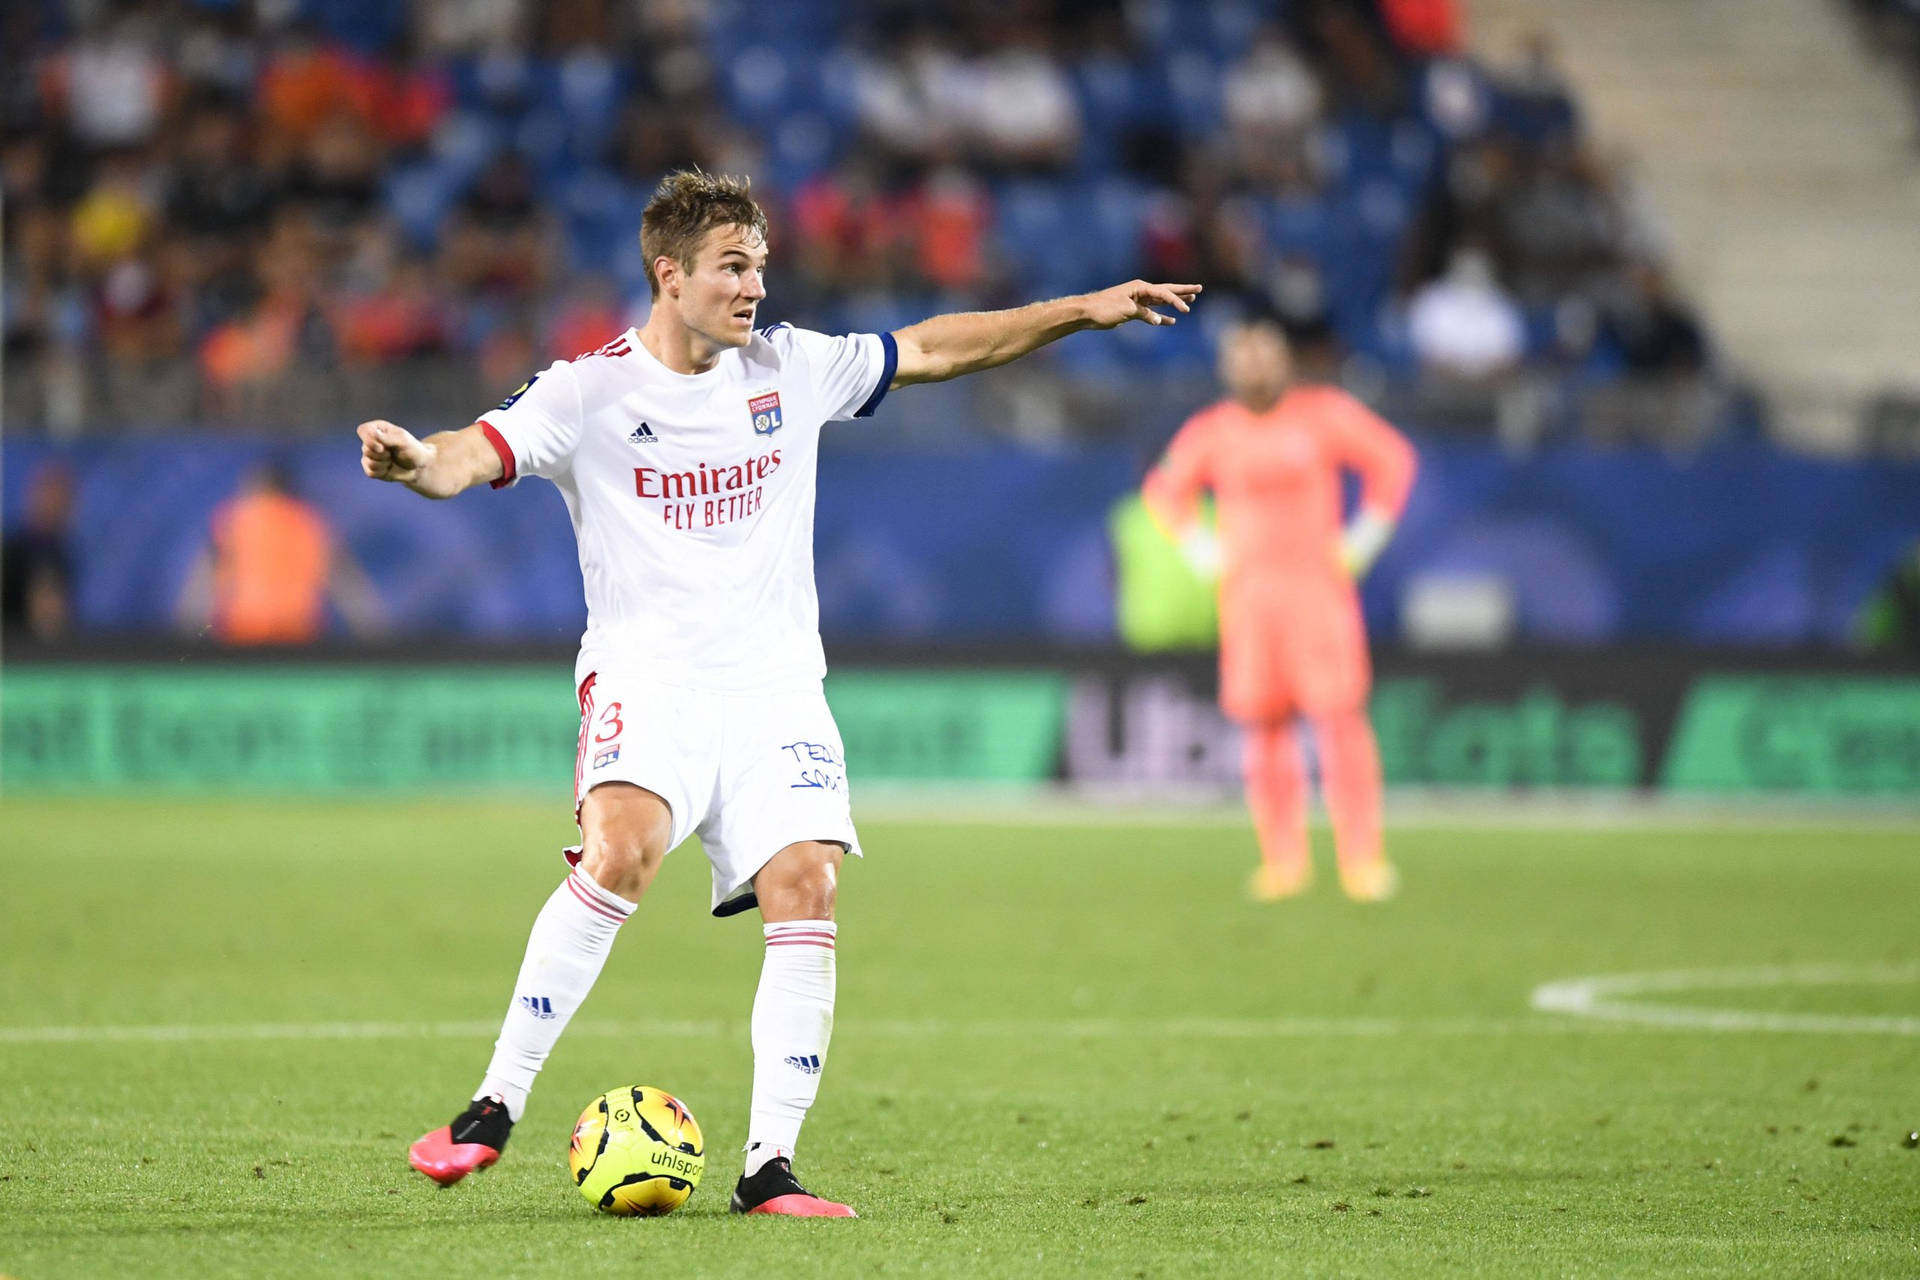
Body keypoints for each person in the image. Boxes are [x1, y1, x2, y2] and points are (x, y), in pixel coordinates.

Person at [359, 170, 1200, 1217]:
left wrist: (1081, 307)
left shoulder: (791, 366)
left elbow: (937, 347)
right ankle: (492, 1104)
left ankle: (769, 1169)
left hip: (776, 691)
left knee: (808, 882)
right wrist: (408, 461)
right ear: (670, 277)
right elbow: (464, 456)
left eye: (760, 263)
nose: (755, 285)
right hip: (648, 676)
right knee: (623, 851)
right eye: (732, 266)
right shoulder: (587, 392)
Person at [1142, 321, 1415, 903]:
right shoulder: (1212, 431)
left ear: (1285, 362)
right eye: (1243, 358)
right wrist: (1198, 546)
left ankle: (1362, 859)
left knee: (1340, 721)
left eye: (1264, 356)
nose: (1255, 368)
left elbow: (1392, 460)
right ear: (1227, 369)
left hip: (1317, 594)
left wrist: (1366, 536)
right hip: (1249, 601)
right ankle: (1282, 862)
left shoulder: (1323, 414)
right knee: (1263, 728)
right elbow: (1162, 490)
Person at [176, 457, 384, 644]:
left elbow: (207, 576)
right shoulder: (310, 521)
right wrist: (371, 630)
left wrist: (188, 629)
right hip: (298, 629)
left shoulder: (235, 518)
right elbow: (343, 579)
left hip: (245, 628)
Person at [2, 460, 76, 640]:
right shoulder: (13, 551)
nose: (53, 504)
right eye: (48, 495)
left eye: (61, 498)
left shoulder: (63, 552)